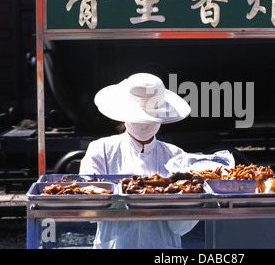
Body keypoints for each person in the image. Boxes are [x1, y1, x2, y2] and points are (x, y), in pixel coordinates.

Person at [79, 73, 197, 249]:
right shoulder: (101, 149)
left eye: (150, 117)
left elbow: (182, 224)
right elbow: (89, 206)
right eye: (139, 117)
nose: (144, 124)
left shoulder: (176, 155)